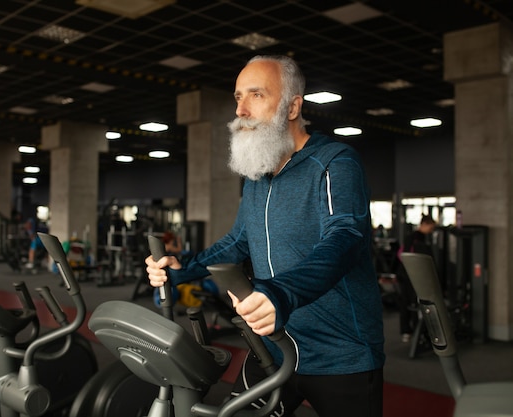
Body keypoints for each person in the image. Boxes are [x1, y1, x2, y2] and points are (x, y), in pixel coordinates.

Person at [145, 55, 385, 417]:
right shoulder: (258, 176)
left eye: (255, 95)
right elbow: (237, 243)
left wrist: (280, 293)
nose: (240, 110)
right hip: (273, 348)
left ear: (292, 106)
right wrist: (184, 268)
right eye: (238, 97)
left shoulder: (335, 162)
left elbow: (346, 239)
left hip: (340, 354)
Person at [396, 214, 437, 342]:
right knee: (409, 302)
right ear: (424, 224)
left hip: (412, 274)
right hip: (409, 275)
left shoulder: (420, 238)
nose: (431, 230)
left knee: (412, 302)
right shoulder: (415, 238)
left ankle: (412, 330)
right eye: (430, 227)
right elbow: (406, 256)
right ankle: (407, 331)